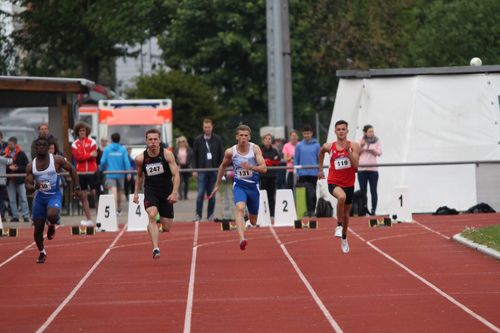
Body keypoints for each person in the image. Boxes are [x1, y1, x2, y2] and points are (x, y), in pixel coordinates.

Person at [210, 125, 267, 250]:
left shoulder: (255, 149)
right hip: (239, 186)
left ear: (249, 137)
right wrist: (217, 185)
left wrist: (251, 167)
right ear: (237, 137)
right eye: (241, 135)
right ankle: (242, 239)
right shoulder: (231, 152)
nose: (243, 138)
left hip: (253, 187)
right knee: (239, 207)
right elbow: (222, 166)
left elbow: (264, 168)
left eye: (246, 135)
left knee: (253, 221)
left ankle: (245, 217)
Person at [25, 138, 81, 263]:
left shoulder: (56, 160)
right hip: (40, 198)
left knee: (52, 214)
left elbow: (72, 169)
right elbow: (27, 186)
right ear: (35, 148)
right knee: (37, 230)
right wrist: (34, 187)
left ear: (47, 147)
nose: (40, 147)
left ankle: (51, 225)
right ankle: (42, 252)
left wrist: (77, 187)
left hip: (54, 195)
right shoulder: (31, 166)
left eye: (43, 145)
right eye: (38, 145)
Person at [133, 129, 180, 259]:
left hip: (166, 192)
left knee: (167, 227)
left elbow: (176, 175)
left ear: (159, 140)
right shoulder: (140, 159)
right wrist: (136, 193)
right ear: (146, 141)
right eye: (150, 140)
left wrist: (174, 192)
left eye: (155, 139)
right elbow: (139, 176)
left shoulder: (167, 155)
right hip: (151, 191)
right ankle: (155, 248)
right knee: (152, 214)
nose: (153, 142)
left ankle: (154, 224)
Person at [318, 120, 360, 253]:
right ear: (335, 131)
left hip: (349, 183)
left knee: (346, 214)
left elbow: (356, 165)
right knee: (341, 197)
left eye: (343, 129)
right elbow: (321, 152)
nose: (341, 131)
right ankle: (338, 225)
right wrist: (320, 169)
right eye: (338, 129)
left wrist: (348, 152)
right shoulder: (329, 146)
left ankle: (344, 236)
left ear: (347, 131)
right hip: (334, 181)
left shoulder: (354, 145)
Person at [192, 118, 224, 221]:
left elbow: (221, 154)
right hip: (202, 170)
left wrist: (221, 169)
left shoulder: (218, 139)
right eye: (205, 127)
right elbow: (194, 155)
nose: (207, 129)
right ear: (203, 127)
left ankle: (210, 215)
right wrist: (194, 170)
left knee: (212, 194)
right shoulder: (198, 139)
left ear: (212, 127)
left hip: (214, 170)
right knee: (200, 193)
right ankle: (198, 215)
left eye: (209, 127)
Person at [71, 122, 98, 226]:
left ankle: (99, 216)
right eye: (80, 130)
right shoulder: (74, 144)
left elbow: (94, 155)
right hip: (80, 173)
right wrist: (88, 154)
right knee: (83, 196)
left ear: (86, 131)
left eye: (83, 130)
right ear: (77, 132)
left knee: (95, 194)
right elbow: (78, 158)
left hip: (92, 171)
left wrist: (85, 155)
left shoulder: (92, 142)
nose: (82, 132)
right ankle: (89, 219)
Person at [99, 133, 131, 215]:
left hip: (110, 173)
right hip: (121, 173)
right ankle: (119, 209)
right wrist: (128, 173)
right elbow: (126, 162)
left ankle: (114, 209)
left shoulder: (107, 149)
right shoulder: (123, 149)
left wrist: (100, 169)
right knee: (119, 192)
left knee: (113, 191)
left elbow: (102, 161)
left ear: (111, 139)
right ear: (119, 139)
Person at [294, 125, 321, 215]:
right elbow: (296, 160)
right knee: (304, 193)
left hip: (313, 173)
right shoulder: (299, 146)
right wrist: (296, 173)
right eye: (305, 134)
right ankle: (305, 211)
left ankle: (312, 211)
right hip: (302, 173)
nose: (306, 135)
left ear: (311, 134)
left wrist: (320, 171)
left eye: (308, 133)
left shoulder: (317, 145)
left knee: (312, 194)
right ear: (302, 134)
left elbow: (319, 159)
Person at [4, 137, 30, 222]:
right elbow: (2, 166)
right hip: (10, 179)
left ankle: (26, 215)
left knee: (23, 198)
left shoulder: (21, 154)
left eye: (11, 144)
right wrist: (9, 167)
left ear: (15, 144)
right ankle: (15, 216)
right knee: (12, 199)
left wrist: (17, 168)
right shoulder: (5, 154)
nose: (9, 146)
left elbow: (26, 165)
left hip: (20, 179)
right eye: (9, 144)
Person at [358, 125, 382, 216]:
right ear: (365, 132)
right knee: (363, 191)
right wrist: (362, 146)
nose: (371, 133)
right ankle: (363, 209)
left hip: (373, 169)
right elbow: (356, 151)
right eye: (370, 131)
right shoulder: (360, 140)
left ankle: (373, 210)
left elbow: (380, 153)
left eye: (372, 131)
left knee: (373, 190)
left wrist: (372, 149)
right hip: (362, 169)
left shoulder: (377, 140)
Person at [260, 133, 280, 217]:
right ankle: (263, 213)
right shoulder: (260, 150)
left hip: (272, 176)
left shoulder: (274, 150)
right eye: (266, 139)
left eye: (269, 139)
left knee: (271, 196)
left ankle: (272, 214)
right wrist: (269, 161)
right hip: (263, 176)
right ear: (263, 140)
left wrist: (268, 161)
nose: (268, 140)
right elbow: (261, 162)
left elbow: (277, 161)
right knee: (263, 195)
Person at [174, 136, 193, 200]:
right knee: (179, 181)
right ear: (178, 143)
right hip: (179, 166)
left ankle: (185, 195)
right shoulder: (176, 150)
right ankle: (180, 195)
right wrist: (177, 164)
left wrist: (190, 165)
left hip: (187, 166)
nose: (181, 143)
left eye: (183, 142)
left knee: (186, 182)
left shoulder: (189, 149)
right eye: (180, 142)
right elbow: (174, 158)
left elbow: (191, 158)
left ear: (185, 142)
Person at [0, 154, 13, 221]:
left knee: (2, 199)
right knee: (3, 199)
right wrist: (7, 154)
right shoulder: (2, 158)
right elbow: (10, 161)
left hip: (2, 182)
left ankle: (2, 214)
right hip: (2, 182)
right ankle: (2, 215)